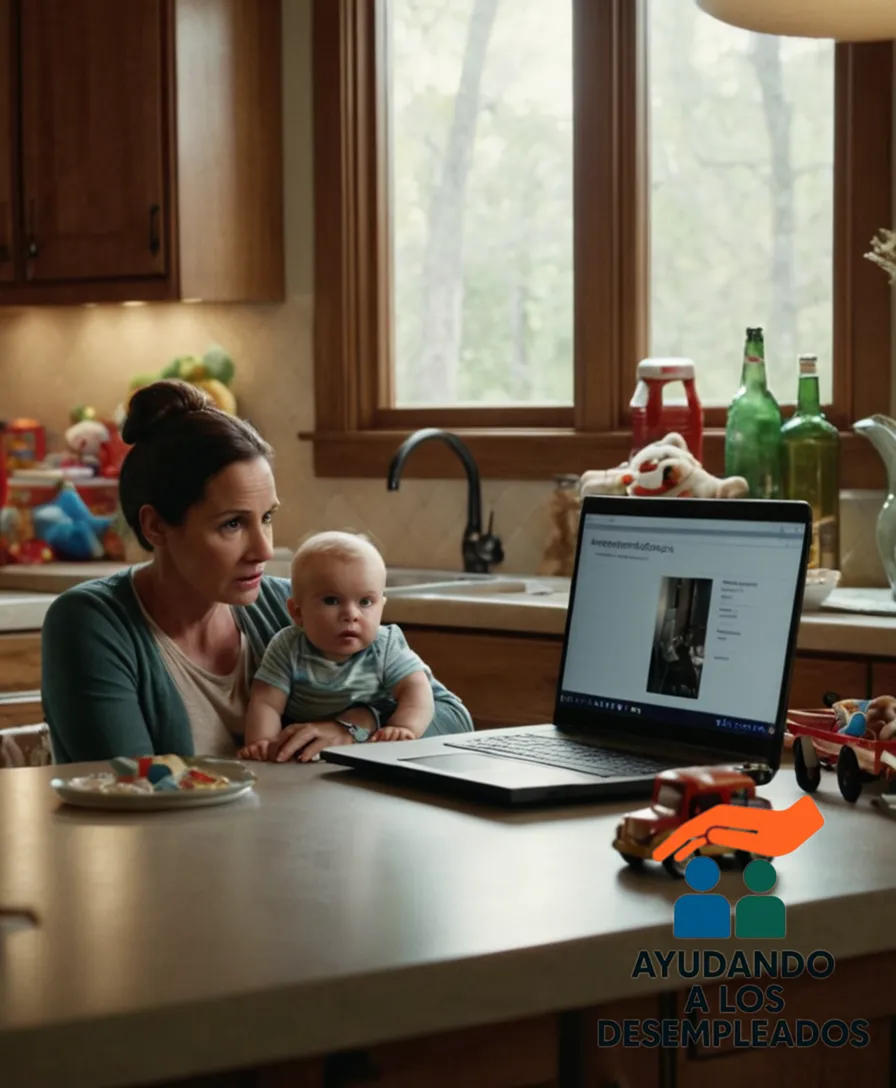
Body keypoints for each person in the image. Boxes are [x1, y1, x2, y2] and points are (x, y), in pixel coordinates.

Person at [41, 380, 474, 764]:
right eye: (232, 524)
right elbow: (131, 790)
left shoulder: (295, 605)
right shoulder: (91, 624)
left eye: (267, 517)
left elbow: (454, 718)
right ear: (156, 526)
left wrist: (352, 727)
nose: (263, 548)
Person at [238, 531, 447, 762]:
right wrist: (263, 744)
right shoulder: (287, 646)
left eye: (365, 602)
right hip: (307, 757)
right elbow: (266, 702)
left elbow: (416, 689)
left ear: (381, 606)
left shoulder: (385, 646)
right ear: (297, 611)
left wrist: (403, 728)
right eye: (332, 600)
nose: (351, 615)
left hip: (366, 757)